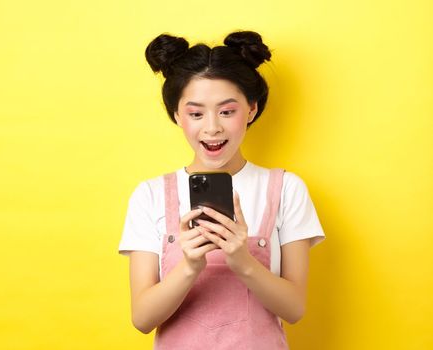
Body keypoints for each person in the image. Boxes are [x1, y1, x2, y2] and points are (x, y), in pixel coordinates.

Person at [117, 30, 326, 349]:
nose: (212, 127)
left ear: (252, 110)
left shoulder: (286, 189)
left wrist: (242, 260)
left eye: (227, 111)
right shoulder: (150, 195)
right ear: (177, 115)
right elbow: (143, 319)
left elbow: (294, 309)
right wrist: (189, 266)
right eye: (196, 113)